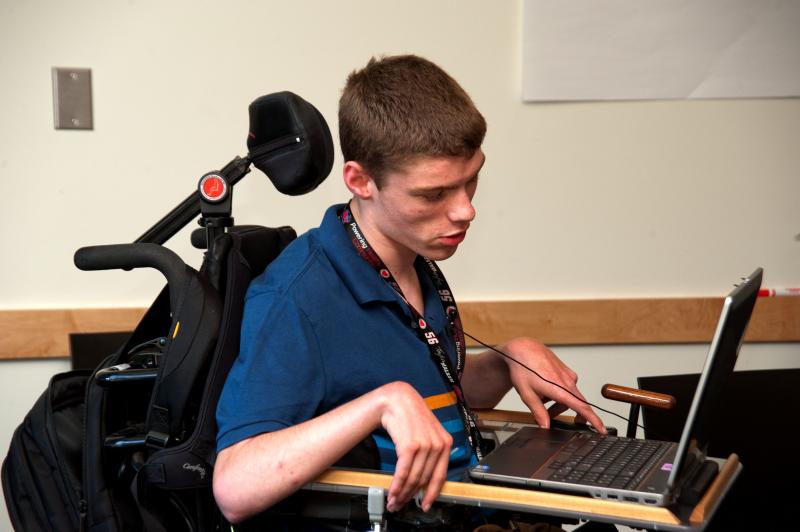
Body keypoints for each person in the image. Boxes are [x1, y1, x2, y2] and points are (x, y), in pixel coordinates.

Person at [213, 54, 606, 525]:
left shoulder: (410, 259)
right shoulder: (296, 299)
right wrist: (380, 403)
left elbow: (433, 396)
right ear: (360, 181)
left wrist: (506, 361)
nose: (464, 211)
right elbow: (234, 486)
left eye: (471, 179)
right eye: (433, 194)